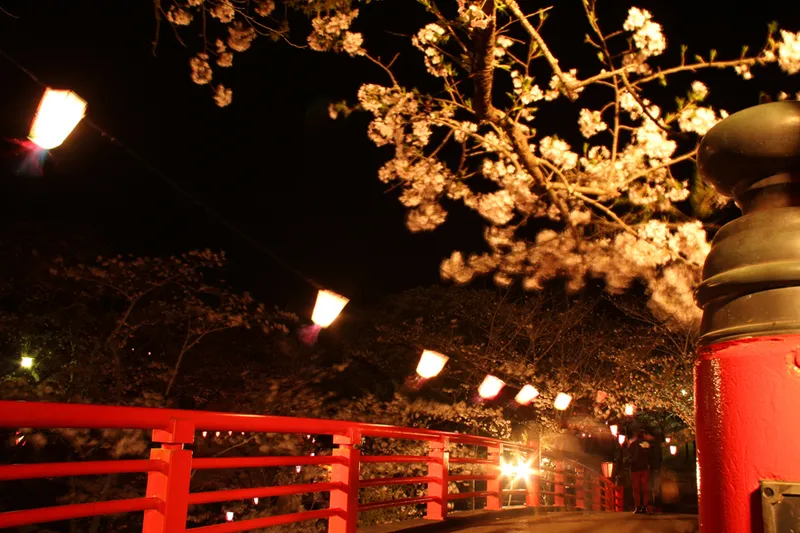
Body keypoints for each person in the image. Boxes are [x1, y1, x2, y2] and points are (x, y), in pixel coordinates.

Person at [629, 430, 652, 514]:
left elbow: (630, 456)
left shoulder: (632, 445)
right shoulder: (647, 444)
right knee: (645, 488)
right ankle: (645, 506)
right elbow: (650, 455)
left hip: (635, 468)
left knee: (636, 489)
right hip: (645, 468)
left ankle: (638, 507)